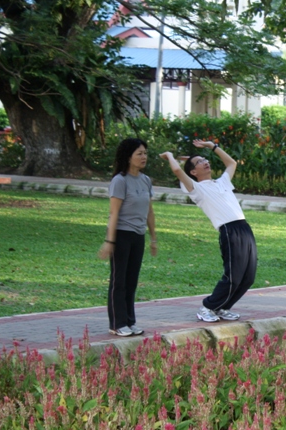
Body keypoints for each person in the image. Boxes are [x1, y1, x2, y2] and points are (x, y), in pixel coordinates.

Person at [159, 139, 257, 323]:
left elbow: (231, 163)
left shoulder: (222, 182)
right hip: (229, 230)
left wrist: (212, 146)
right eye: (199, 162)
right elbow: (178, 171)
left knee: (248, 277)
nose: (205, 161)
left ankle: (222, 307)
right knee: (233, 276)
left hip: (244, 227)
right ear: (193, 172)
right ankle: (208, 307)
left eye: (205, 159)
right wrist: (170, 156)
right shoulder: (196, 188)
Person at [98, 138, 157, 337]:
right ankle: (117, 323)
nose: (144, 157)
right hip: (122, 235)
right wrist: (109, 241)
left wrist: (153, 238)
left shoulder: (145, 180)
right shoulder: (120, 181)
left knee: (131, 281)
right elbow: (113, 213)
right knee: (119, 281)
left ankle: (130, 322)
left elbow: (149, 211)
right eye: (139, 153)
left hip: (138, 236)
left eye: (145, 153)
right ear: (128, 156)